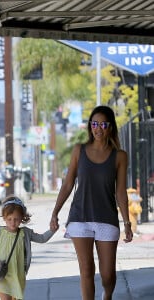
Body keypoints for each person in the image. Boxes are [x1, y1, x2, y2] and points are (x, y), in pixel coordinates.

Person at [49, 105, 133, 300]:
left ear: (110, 127)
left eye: (103, 124)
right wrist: (55, 212)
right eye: (94, 124)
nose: (98, 128)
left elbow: (120, 191)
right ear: (90, 126)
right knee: (86, 270)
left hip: (107, 218)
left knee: (108, 275)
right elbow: (68, 183)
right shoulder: (79, 150)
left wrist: (127, 223)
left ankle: (107, 295)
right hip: (80, 218)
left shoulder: (119, 156)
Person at [0, 195, 56, 300]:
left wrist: (52, 230)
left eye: (16, 219)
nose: (12, 222)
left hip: (16, 274)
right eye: (9, 219)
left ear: (22, 218)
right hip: (2, 273)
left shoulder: (25, 233)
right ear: (4, 218)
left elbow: (42, 238)